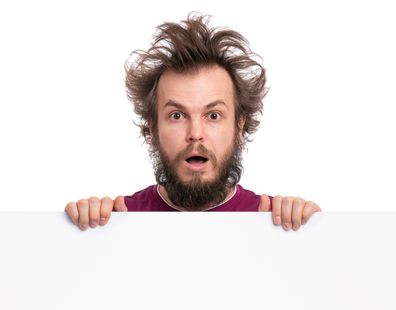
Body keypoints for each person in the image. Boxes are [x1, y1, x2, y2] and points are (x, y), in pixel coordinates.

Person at [65, 13, 321, 232]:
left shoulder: (272, 219)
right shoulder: (119, 219)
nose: (195, 134)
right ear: (152, 128)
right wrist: (84, 234)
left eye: (213, 116)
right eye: (177, 115)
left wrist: (313, 231)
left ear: (239, 126)